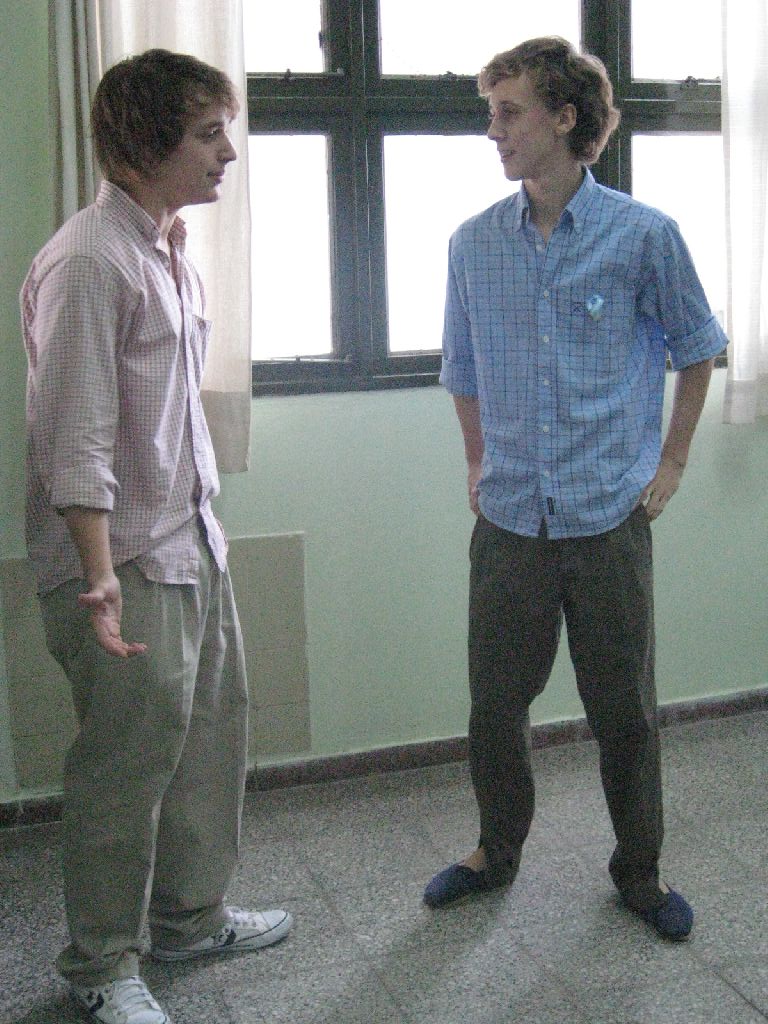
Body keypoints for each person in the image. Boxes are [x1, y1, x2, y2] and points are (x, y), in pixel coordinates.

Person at [424, 36, 726, 941]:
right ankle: (496, 850)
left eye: (509, 112)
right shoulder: (473, 244)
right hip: (510, 520)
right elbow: (462, 371)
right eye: (490, 113)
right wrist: (476, 462)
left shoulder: (644, 235)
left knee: (624, 711)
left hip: (608, 520)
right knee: (494, 707)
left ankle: (639, 871)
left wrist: (671, 465)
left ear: (565, 118)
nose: (494, 131)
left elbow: (699, 349)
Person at [22, 49, 292, 1024]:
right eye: (208, 134)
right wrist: (98, 578)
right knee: (123, 770)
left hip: (188, 541)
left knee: (210, 739)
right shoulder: (91, 260)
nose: (229, 152)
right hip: (122, 563)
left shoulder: (166, 247)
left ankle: (190, 917)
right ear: (144, 144)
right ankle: (100, 964)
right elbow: (76, 437)